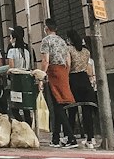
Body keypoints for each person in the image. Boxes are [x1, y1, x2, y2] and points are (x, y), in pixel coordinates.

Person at [39, 18, 78, 148]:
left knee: (57, 105)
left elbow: (46, 60)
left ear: (46, 28)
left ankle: (71, 138)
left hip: (53, 72)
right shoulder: (62, 41)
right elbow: (68, 60)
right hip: (63, 71)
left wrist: (41, 76)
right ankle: (56, 138)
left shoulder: (46, 41)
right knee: (60, 104)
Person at [66, 29, 97, 143]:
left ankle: (70, 136)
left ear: (69, 39)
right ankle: (91, 138)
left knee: (72, 109)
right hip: (85, 79)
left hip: (73, 79)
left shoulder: (69, 49)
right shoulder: (86, 51)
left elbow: (68, 65)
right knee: (87, 110)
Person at [5, 26, 34, 126]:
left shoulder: (11, 51)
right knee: (26, 107)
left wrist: (8, 72)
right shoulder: (27, 51)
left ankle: (21, 125)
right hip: (26, 81)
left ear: (14, 38)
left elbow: (12, 68)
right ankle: (28, 126)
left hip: (16, 81)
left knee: (14, 107)